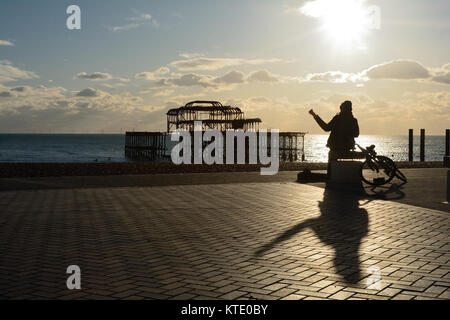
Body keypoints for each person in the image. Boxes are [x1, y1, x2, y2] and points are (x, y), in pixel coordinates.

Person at [309, 100, 359, 178]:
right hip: (348, 147)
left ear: (342, 109)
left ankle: (330, 176)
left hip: (336, 147)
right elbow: (356, 134)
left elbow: (326, 128)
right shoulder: (354, 120)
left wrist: (315, 116)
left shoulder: (337, 118)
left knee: (332, 156)